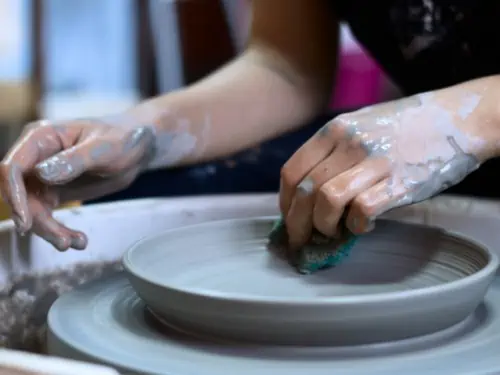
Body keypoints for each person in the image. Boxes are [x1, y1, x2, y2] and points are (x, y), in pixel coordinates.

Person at [1, 0, 500, 252]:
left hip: (458, 135)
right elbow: (286, 65)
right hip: (421, 143)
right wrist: (143, 133)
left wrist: (459, 122)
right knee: (125, 204)